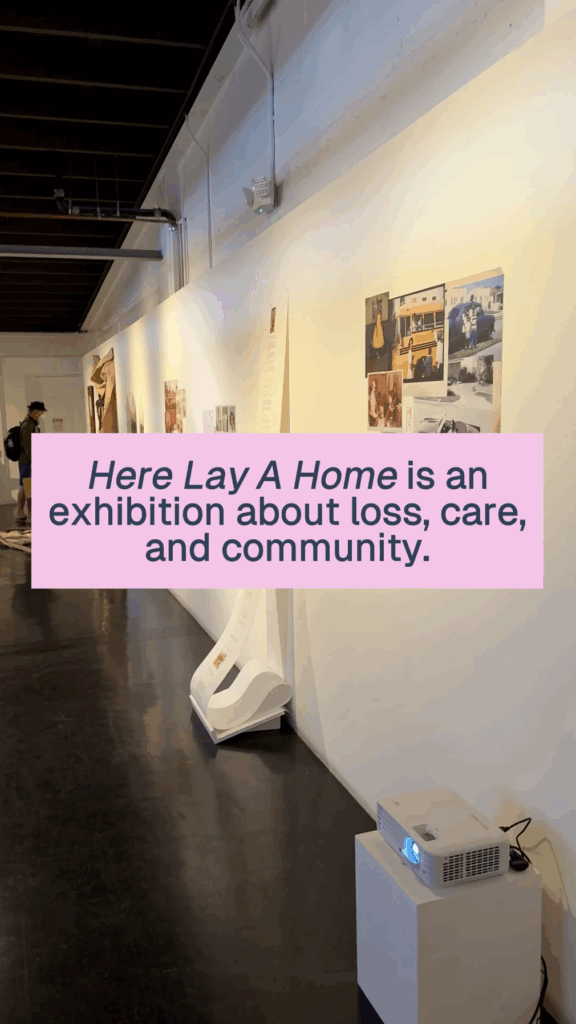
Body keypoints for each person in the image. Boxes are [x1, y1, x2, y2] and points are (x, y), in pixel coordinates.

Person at [15, 401, 46, 523]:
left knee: (24, 487)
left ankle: (21, 512)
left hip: (26, 461)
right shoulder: (28, 425)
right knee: (28, 489)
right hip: (27, 462)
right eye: (40, 412)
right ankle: (30, 515)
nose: (41, 415)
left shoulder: (30, 423)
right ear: (35, 411)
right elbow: (28, 446)